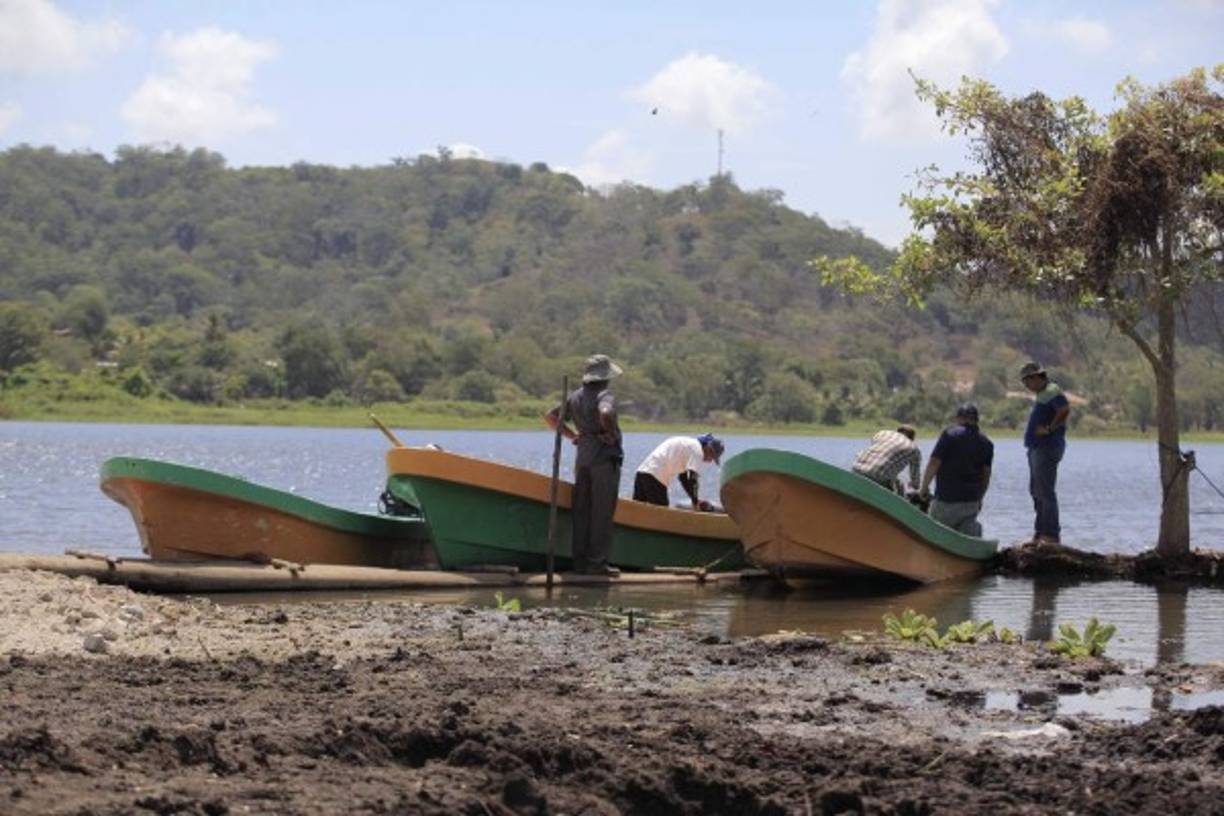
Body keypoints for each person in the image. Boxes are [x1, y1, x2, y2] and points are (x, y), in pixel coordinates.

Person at [544, 354, 624, 576]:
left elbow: (551, 417)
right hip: (603, 459)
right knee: (601, 512)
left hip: (583, 458)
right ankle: (597, 564)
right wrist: (608, 433)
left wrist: (573, 436)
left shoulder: (576, 397)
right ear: (605, 378)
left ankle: (579, 562)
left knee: (582, 511)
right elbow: (606, 412)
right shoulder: (605, 395)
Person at [919, 403, 994, 537]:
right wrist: (980, 499)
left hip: (946, 500)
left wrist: (924, 488)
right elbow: (986, 476)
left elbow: (934, 462)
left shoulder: (950, 434)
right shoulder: (987, 443)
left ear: (959, 418)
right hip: (971, 502)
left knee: (935, 535)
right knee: (967, 536)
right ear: (976, 420)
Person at [1020, 361, 1071, 545]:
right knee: (1036, 491)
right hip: (1037, 448)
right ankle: (1040, 533)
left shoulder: (1052, 390)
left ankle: (1050, 535)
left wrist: (1050, 428)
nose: (1026, 385)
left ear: (1036, 377)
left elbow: (1064, 409)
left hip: (1046, 447)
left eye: (1027, 381)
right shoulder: (1043, 394)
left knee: (1045, 492)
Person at [633, 434, 725, 509]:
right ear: (708, 449)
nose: (709, 461)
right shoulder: (697, 451)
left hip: (642, 472)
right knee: (662, 515)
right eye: (711, 457)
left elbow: (684, 478)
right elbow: (692, 478)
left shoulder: (688, 445)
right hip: (656, 477)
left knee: (637, 511)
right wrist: (695, 502)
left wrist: (695, 500)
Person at [852, 425, 921, 495]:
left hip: (856, 468)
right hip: (878, 477)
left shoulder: (883, 433)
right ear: (912, 438)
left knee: (897, 482)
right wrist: (914, 484)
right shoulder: (914, 449)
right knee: (899, 487)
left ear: (897, 431)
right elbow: (915, 481)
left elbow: (877, 452)